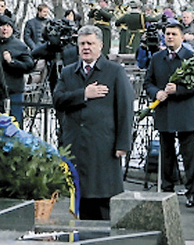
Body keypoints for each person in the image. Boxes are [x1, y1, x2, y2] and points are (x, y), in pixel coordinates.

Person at [53, 25, 134, 220]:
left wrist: (123, 144)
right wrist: (83, 94)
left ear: (101, 46)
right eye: (82, 44)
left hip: (104, 146)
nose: (86, 47)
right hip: (77, 145)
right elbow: (58, 100)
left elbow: (125, 108)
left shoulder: (114, 71)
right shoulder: (68, 72)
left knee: (104, 200)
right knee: (82, 198)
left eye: (90, 43)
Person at [144, 20, 194, 207]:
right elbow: (148, 83)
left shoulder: (190, 57)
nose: (170, 37)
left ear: (182, 37)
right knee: (166, 154)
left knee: (189, 154)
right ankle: (167, 189)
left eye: (173, 34)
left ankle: (192, 190)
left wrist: (178, 89)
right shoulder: (157, 58)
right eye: (167, 34)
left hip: (184, 113)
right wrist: (156, 92)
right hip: (164, 113)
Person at [0, 16, 33, 126]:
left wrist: (12, 62)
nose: (4, 29)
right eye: (2, 26)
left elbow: (29, 66)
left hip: (14, 91)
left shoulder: (19, 46)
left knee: (15, 123)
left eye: (7, 26)